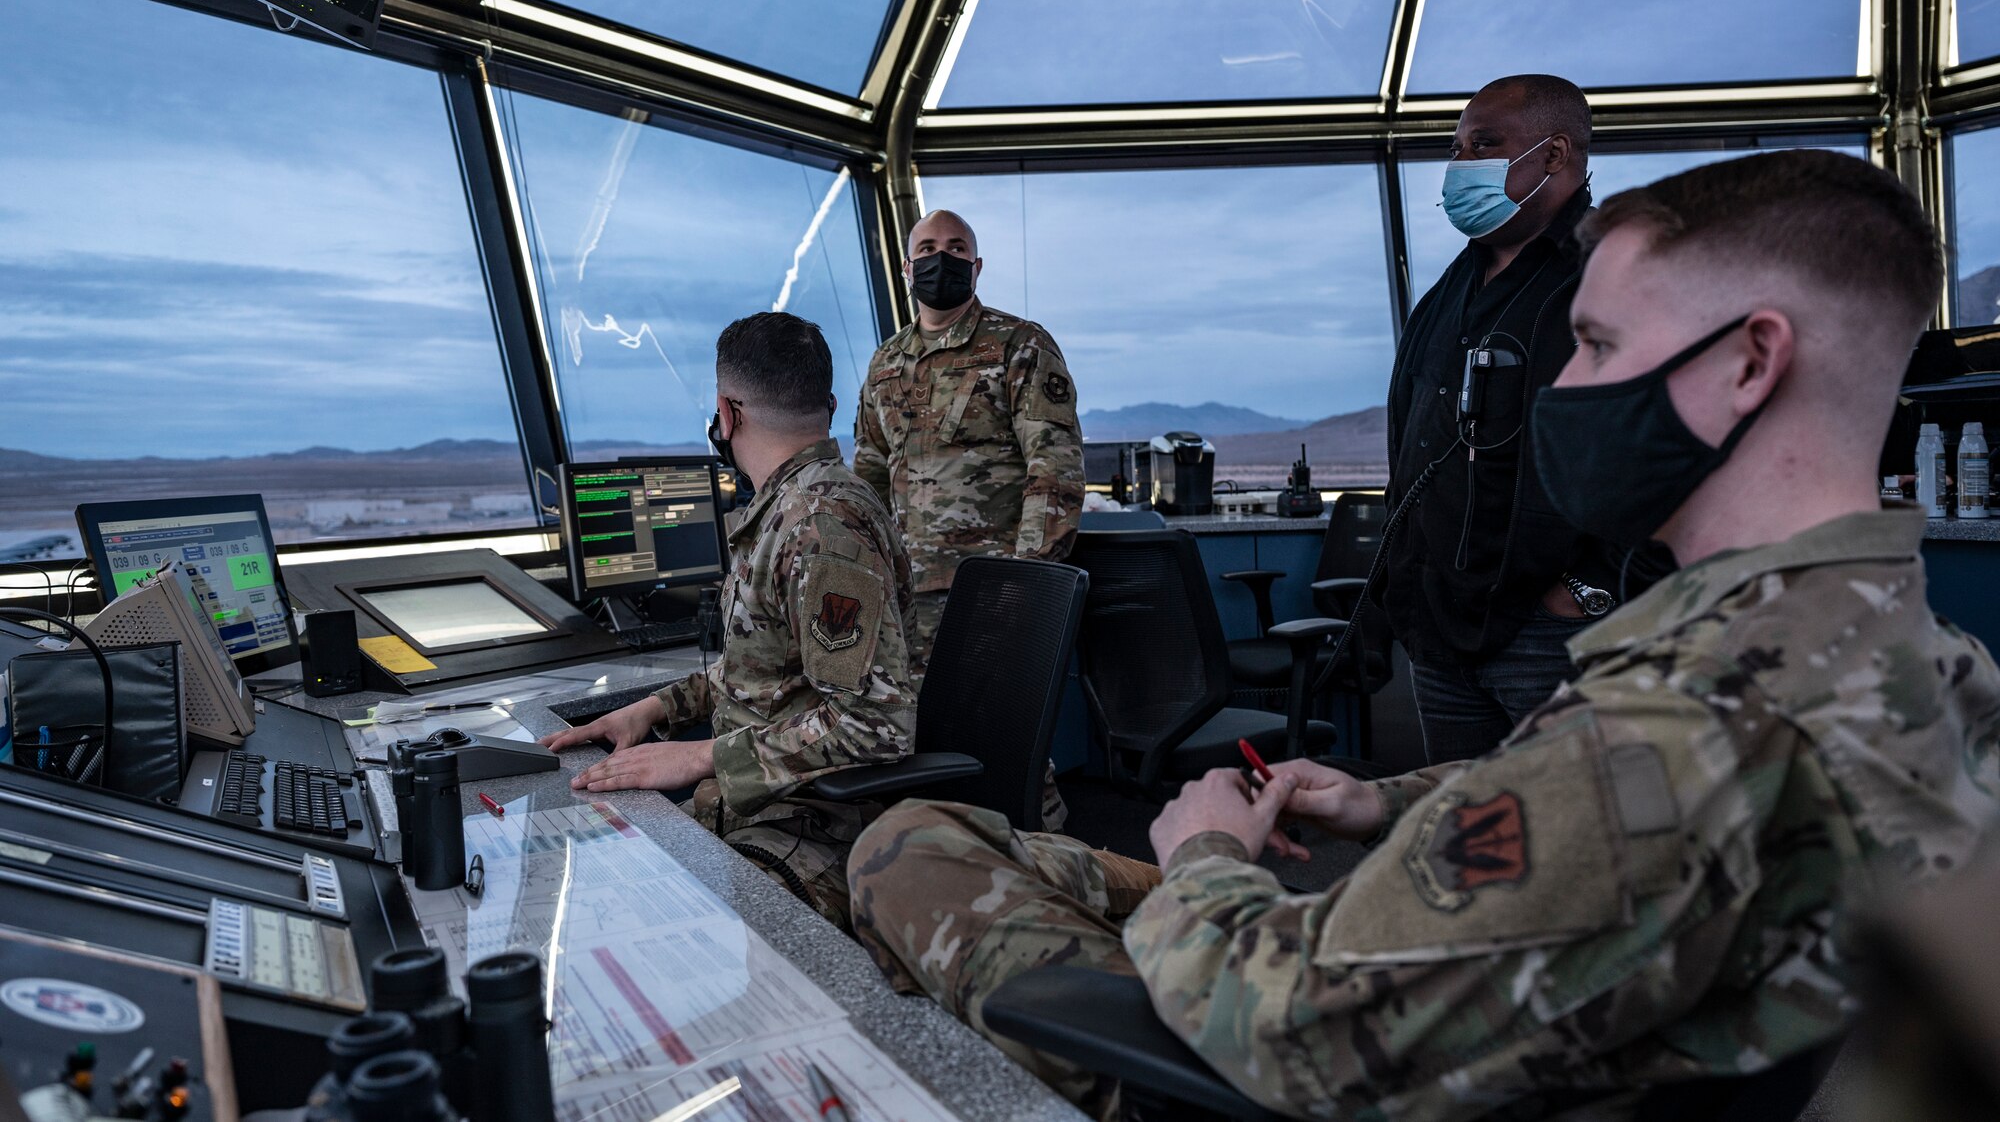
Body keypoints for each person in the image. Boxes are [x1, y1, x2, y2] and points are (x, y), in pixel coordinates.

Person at [844, 150, 2000, 1118]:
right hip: (1455, 970)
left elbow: (1284, 1023)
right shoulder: (1923, 666)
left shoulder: (1688, 726)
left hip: (1284, 1047)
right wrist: (1381, 800)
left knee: (899, 845)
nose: (1561, 389)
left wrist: (1205, 854)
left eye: (1594, 346)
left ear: (1750, 359)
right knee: (981, 830)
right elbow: (1584, 816)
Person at [542, 312, 918, 928]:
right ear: (826, 405)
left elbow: (876, 725)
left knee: (631, 921)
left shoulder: (822, 525)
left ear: (729, 413)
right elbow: (765, 669)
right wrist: (656, 709)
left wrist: (699, 757)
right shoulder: (786, 509)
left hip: (806, 827)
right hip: (752, 804)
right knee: (595, 873)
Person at [1385, 74, 1662, 763]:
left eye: (1483, 144)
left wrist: (1587, 587)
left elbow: (1669, 450)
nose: (1459, 166)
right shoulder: (1451, 291)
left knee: (1572, 841)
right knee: (1461, 838)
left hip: (1548, 635)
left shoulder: (1616, 279)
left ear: (1554, 154)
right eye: (1455, 148)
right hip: (1443, 630)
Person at [854, 209, 1085, 667]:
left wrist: (1025, 582)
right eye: (928, 250)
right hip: (903, 597)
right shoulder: (886, 362)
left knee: (987, 729)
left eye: (956, 249)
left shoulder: (1019, 343)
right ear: (907, 268)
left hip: (991, 588)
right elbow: (869, 476)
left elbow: (1055, 471)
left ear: (977, 267)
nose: (942, 259)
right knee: (912, 732)